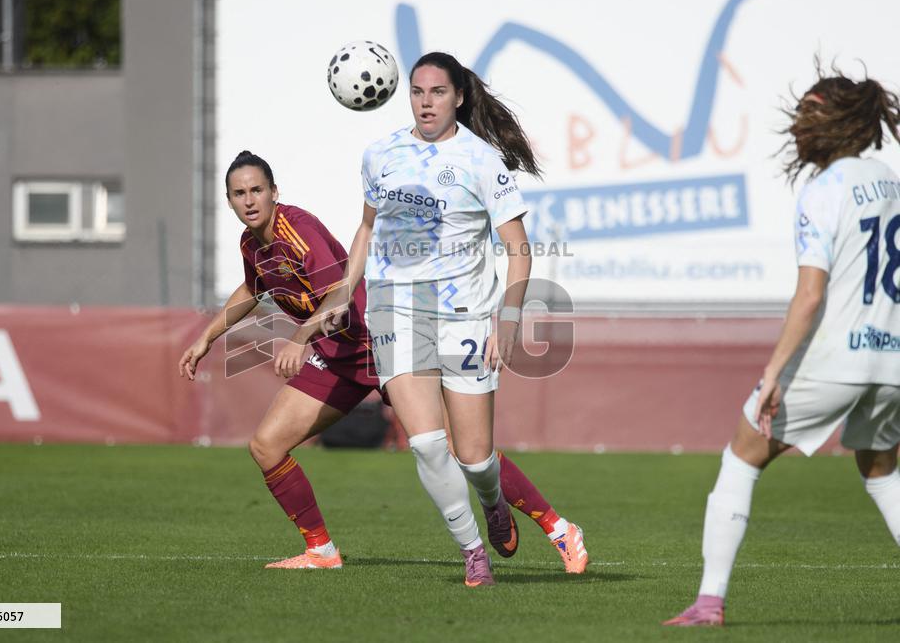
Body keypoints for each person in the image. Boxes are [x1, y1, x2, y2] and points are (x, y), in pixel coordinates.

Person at [180, 150, 582, 576]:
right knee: (266, 446)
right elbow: (253, 287)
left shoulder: (298, 229)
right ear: (228, 201)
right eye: (239, 193)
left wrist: (299, 337)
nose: (249, 200)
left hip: (382, 342)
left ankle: (559, 528)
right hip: (336, 359)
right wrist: (207, 336)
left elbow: (337, 296)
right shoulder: (252, 244)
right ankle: (321, 550)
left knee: (461, 448)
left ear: (275, 192)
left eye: (257, 189)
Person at [316, 52, 588, 586]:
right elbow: (367, 230)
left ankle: (494, 504)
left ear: (458, 97)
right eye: (417, 92)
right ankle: (472, 552)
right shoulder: (380, 155)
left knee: (476, 458)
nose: (425, 102)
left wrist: (507, 319)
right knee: (423, 443)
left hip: (464, 313)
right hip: (396, 306)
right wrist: (344, 290)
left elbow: (518, 248)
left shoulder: (482, 160)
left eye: (437, 92)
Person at [665, 68, 900, 626]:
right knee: (881, 468)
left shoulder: (823, 190)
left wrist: (772, 373)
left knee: (742, 454)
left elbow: (810, 294)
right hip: (891, 357)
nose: (797, 126)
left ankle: (708, 604)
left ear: (832, 122)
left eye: (807, 114)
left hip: (836, 357)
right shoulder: (891, 181)